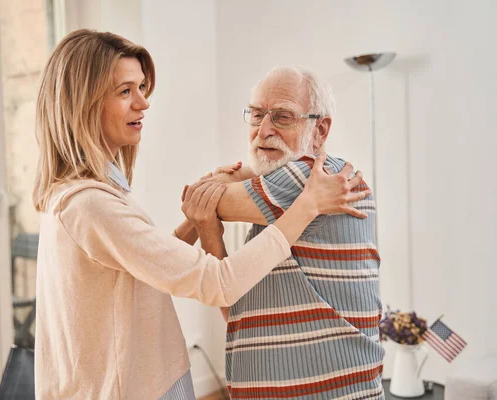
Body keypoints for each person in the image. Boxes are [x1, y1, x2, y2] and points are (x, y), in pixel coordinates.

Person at [32, 30, 369, 400]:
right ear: (84, 104)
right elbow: (219, 282)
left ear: (319, 130)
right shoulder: (90, 204)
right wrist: (303, 205)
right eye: (125, 91)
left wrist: (201, 216)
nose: (144, 103)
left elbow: (148, 263)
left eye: (142, 88)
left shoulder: (77, 196)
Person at [193, 66, 384, 399]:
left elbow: (198, 198)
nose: (263, 130)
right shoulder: (272, 210)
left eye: (282, 117)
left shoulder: (319, 176)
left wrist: (217, 182)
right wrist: (209, 230)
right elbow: (237, 310)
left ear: (320, 130)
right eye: (255, 115)